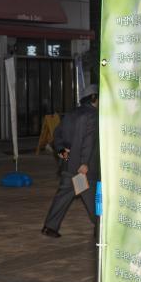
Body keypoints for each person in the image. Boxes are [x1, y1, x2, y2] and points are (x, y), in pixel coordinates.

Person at [42, 84, 99, 238]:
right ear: (94, 98)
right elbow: (89, 141)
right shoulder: (93, 115)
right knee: (92, 197)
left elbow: (57, 134)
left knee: (68, 194)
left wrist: (64, 154)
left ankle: (49, 227)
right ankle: (101, 229)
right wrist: (84, 163)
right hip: (83, 169)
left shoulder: (71, 113)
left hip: (70, 164)